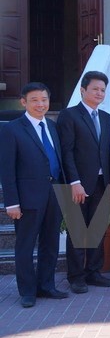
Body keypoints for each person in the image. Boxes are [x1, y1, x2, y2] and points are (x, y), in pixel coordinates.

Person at [0, 82, 68, 308]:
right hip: (28, 198)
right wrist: (12, 202)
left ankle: (46, 285)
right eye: (35, 100)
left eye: (44, 100)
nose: (41, 104)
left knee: (50, 242)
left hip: (54, 194)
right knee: (26, 245)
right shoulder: (12, 129)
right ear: (23, 102)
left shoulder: (51, 125)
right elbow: (7, 169)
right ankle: (27, 291)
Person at [56, 71, 110, 294]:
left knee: (97, 229)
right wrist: (74, 182)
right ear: (83, 90)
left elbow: (108, 151)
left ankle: (93, 272)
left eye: (103, 90)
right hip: (78, 185)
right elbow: (67, 152)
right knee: (77, 231)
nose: (100, 93)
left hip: (102, 182)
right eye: (95, 89)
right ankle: (76, 276)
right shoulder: (69, 116)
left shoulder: (106, 118)